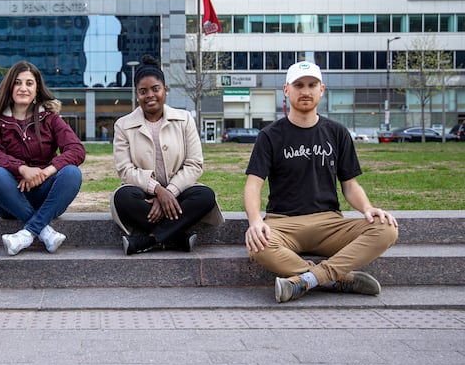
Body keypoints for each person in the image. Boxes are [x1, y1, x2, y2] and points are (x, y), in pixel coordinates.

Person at [244, 61, 398, 303]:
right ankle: (336, 279)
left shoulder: (337, 133)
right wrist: (254, 221)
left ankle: (308, 280)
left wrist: (368, 209)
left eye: (311, 85)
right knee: (257, 245)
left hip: (329, 224)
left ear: (321, 89)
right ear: (286, 90)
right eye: (299, 85)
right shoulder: (269, 136)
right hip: (284, 224)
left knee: (386, 228)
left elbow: (350, 185)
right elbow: (253, 185)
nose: (305, 91)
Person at [111, 55, 223, 255]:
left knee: (205, 196)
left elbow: (194, 164)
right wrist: (158, 192)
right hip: (143, 194)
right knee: (123, 197)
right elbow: (125, 170)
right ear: (137, 94)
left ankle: (149, 240)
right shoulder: (123, 125)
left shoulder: (184, 119)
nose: (150, 95)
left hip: (179, 191)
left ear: (165, 90)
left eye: (156, 89)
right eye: (143, 91)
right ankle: (177, 237)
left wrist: (169, 192)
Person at [0, 61, 86, 256]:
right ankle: (44, 230)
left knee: (72, 173)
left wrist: (46, 172)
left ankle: (27, 234)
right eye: (17, 83)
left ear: (37, 89)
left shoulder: (50, 119)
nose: (23, 88)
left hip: (46, 197)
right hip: (10, 197)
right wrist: (22, 169)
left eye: (29, 83)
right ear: (10, 87)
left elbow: (76, 149)